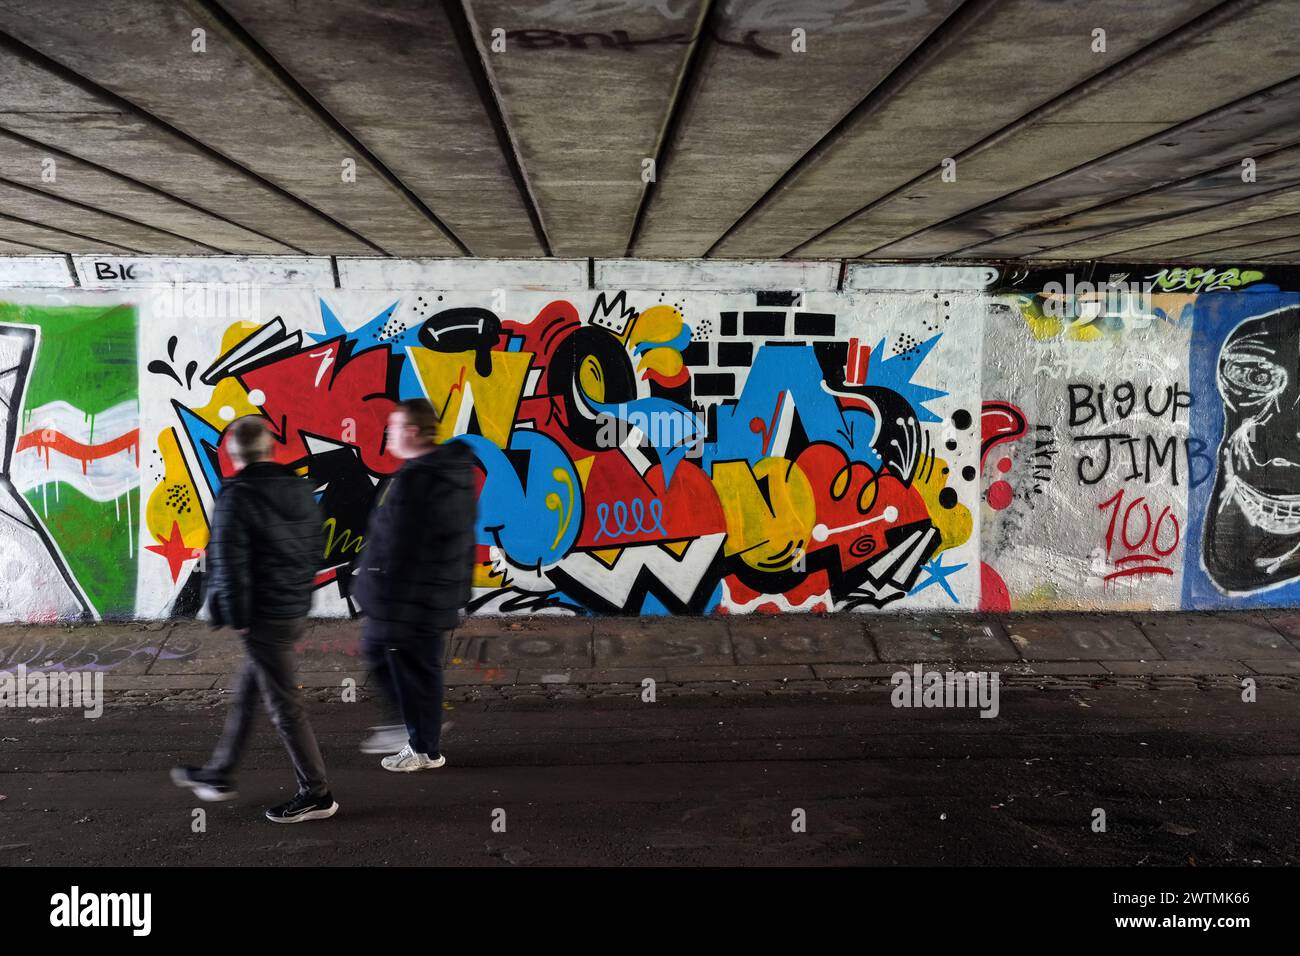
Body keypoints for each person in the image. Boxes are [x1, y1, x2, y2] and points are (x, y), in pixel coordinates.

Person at [170, 415, 338, 823]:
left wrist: (240, 616)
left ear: (231, 453)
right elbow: (315, 545)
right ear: (270, 448)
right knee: (249, 693)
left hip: (262, 616)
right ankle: (220, 773)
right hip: (292, 606)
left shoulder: (237, 495)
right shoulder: (298, 489)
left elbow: (229, 561)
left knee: (284, 707)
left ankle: (317, 794)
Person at [351, 398, 477, 771]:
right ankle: (424, 744)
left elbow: (396, 547)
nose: (387, 434)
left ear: (411, 432)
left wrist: (375, 591)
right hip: (434, 593)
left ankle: (417, 742)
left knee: (394, 662)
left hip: (407, 599)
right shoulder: (453, 471)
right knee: (421, 668)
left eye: (392, 427)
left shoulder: (416, 479)